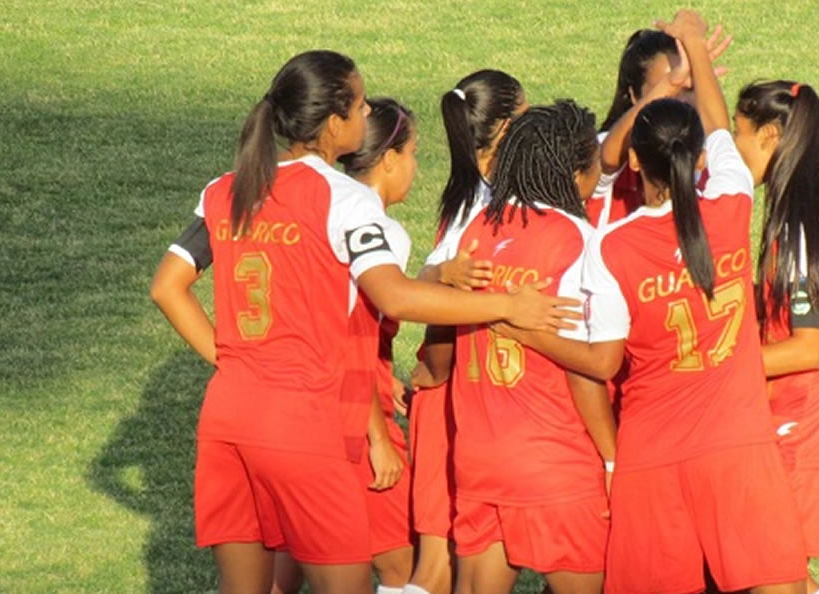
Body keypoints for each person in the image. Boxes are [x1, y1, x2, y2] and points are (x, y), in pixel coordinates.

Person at [148, 50, 579, 594]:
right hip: (305, 423)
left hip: (227, 417)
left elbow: (167, 287)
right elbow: (394, 297)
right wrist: (507, 306)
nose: (367, 108)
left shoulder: (224, 189)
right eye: (360, 102)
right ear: (335, 123)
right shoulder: (344, 199)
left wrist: (233, 362)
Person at [501, 11, 807, 593]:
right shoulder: (732, 205)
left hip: (652, 455)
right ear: (698, 159)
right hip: (739, 444)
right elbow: (719, 126)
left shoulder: (612, 245)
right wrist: (696, 45)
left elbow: (600, 363)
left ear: (636, 163)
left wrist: (520, 325)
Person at [443, 100, 608, 594]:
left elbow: (438, 352)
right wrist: (614, 457)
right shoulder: (577, 238)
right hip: (554, 463)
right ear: (576, 173)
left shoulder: (475, 229)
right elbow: (586, 367)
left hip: (478, 457)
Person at [269, 97, 419, 594]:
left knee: (289, 563)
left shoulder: (313, 206)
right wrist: (376, 436)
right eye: (414, 154)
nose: (416, 169)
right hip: (354, 410)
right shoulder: (380, 233)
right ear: (391, 158)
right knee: (401, 570)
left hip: (297, 411)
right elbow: (351, 337)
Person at [733, 79, 819, 594]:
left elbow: (808, 345)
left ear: (771, 135)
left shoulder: (801, 217)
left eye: (738, 132)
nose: (733, 146)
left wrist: (725, 366)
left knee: (772, 578)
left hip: (805, 425)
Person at [405, 69, 526, 594]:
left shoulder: (462, 192)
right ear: (504, 127)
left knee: (446, 566)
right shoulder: (489, 204)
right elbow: (444, 301)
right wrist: (431, 368)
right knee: (437, 570)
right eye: (526, 115)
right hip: (459, 386)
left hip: (457, 386)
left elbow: (434, 280)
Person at [588, 27, 729, 228]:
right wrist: (673, 81)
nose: (678, 101)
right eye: (665, 89)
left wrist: (701, 68)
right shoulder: (599, 153)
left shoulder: (706, 160)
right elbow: (606, 158)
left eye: (688, 88)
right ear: (635, 97)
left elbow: (722, 134)